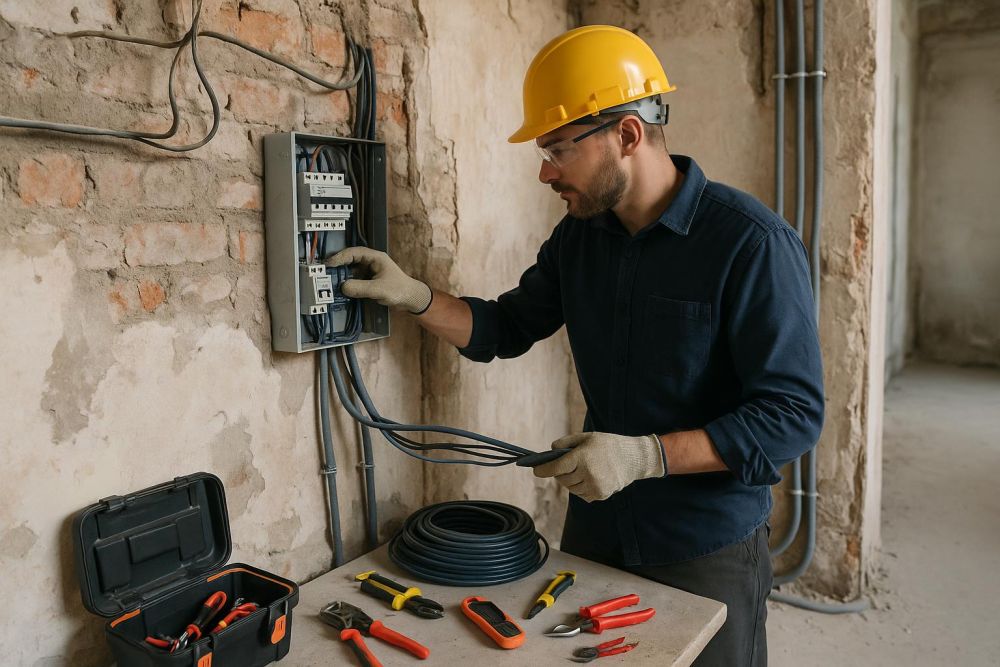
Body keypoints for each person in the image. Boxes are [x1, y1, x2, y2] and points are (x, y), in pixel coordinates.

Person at [326, 25, 824, 666]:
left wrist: (647, 458)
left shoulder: (750, 244)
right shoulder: (580, 239)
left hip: (704, 543)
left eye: (559, 149)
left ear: (627, 134)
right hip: (597, 522)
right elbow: (505, 327)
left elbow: (793, 415)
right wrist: (417, 297)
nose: (544, 171)